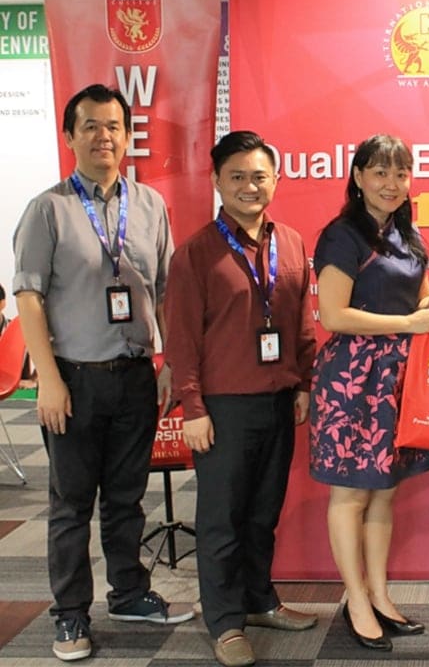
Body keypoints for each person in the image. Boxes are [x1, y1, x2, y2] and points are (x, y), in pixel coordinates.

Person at [11, 83, 192, 662]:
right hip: (73, 378)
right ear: (70, 137)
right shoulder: (48, 209)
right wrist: (48, 380)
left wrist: (169, 362)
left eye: (113, 126)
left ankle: (129, 594)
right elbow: (28, 297)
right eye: (90, 126)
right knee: (70, 504)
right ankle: (69, 615)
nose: (103, 136)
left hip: (135, 375)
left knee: (126, 498)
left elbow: (166, 291)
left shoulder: (150, 205)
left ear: (128, 136)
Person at [163, 130, 318, 667]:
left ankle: (259, 601)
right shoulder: (196, 253)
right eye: (237, 177)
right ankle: (225, 621)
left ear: (275, 180)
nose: (250, 186)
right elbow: (181, 340)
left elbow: (300, 323)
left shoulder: (291, 242)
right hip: (223, 407)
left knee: (262, 513)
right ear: (216, 181)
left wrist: (304, 383)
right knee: (221, 520)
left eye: (259, 176)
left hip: (279, 400)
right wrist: (193, 408)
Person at [310, 134, 429, 652]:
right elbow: (334, 315)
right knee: (351, 493)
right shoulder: (342, 235)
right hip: (352, 378)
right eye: (380, 172)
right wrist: (409, 322)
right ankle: (355, 599)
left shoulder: (407, 234)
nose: (391, 184)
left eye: (400, 173)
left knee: (385, 489)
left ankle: (380, 595)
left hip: (399, 377)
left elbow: (417, 300)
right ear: (358, 176)